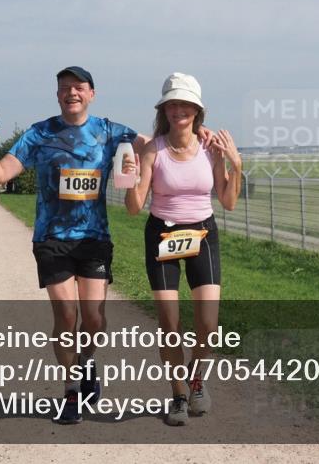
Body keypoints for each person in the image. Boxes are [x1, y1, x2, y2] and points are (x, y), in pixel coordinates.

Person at [0, 66, 198, 424]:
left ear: (92, 93)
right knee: (66, 315)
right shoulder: (38, 134)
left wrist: (196, 134)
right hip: (52, 239)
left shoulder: (108, 131)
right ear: (57, 95)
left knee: (92, 318)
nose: (71, 93)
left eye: (78, 87)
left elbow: (158, 145)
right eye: (64, 88)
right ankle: (72, 390)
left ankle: (87, 360)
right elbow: (0, 174)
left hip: (94, 239)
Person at [124, 72, 242, 426]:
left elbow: (228, 201)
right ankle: (178, 395)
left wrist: (236, 164)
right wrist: (128, 177)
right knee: (170, 322)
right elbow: (133, 207)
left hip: (203, 233)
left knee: (208, 323)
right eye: (173, 103)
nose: (179, 110)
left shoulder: (210, 147)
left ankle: (197, 380)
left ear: (197, 109)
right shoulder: (152, 149)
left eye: (185, 104)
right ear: (165, 109)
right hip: (163, 234)